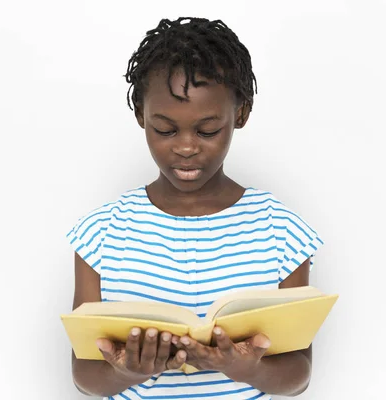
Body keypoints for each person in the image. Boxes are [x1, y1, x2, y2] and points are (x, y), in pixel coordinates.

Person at [66, 17, 324, 400]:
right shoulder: (101, 234)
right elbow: (84, 374)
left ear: (240, 114)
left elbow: (298, 375)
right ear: (141, 116)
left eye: (207, 130)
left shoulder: (281, 232)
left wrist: (247, 368)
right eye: (165, 130)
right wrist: (125, 372)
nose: (186, 147)